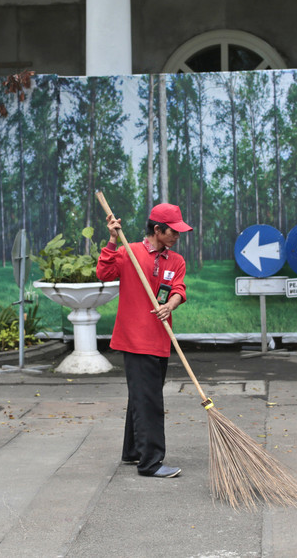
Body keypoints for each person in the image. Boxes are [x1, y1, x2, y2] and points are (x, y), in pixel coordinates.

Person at [97, 203, 193, 478]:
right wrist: (113, 239)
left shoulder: (176, 260)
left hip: (160, 339)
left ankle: (132, 451)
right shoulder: (129, 253)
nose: (177, 236)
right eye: (173, 232)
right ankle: (150, 463)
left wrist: (171, 305)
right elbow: (104, 274)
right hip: (134, 340)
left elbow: (178, 289)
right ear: (156, 229)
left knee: (142, 395)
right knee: (150, 400)